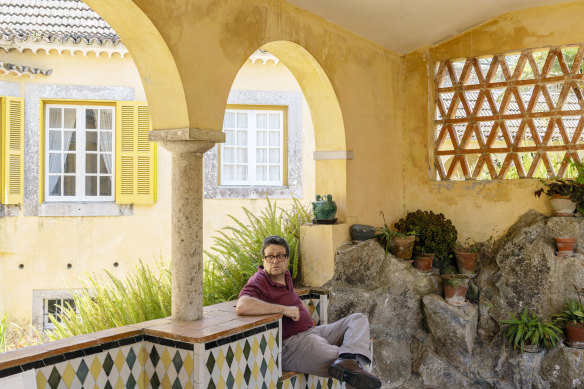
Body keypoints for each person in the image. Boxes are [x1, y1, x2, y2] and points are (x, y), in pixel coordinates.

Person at [236, 235, 382, 389]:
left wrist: (301, 307)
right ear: (263, 259)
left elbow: (290, 298)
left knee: (358, 319)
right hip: (292, 345)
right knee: (348, 365)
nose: (275, 261)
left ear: (287, 259)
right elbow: (243, 306)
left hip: (313, 332)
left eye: (280, 256)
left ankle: (347, 360)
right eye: (270, 256)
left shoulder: (285, 275)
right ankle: (348, 363)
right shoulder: (260, 280)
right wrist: (284, 310)